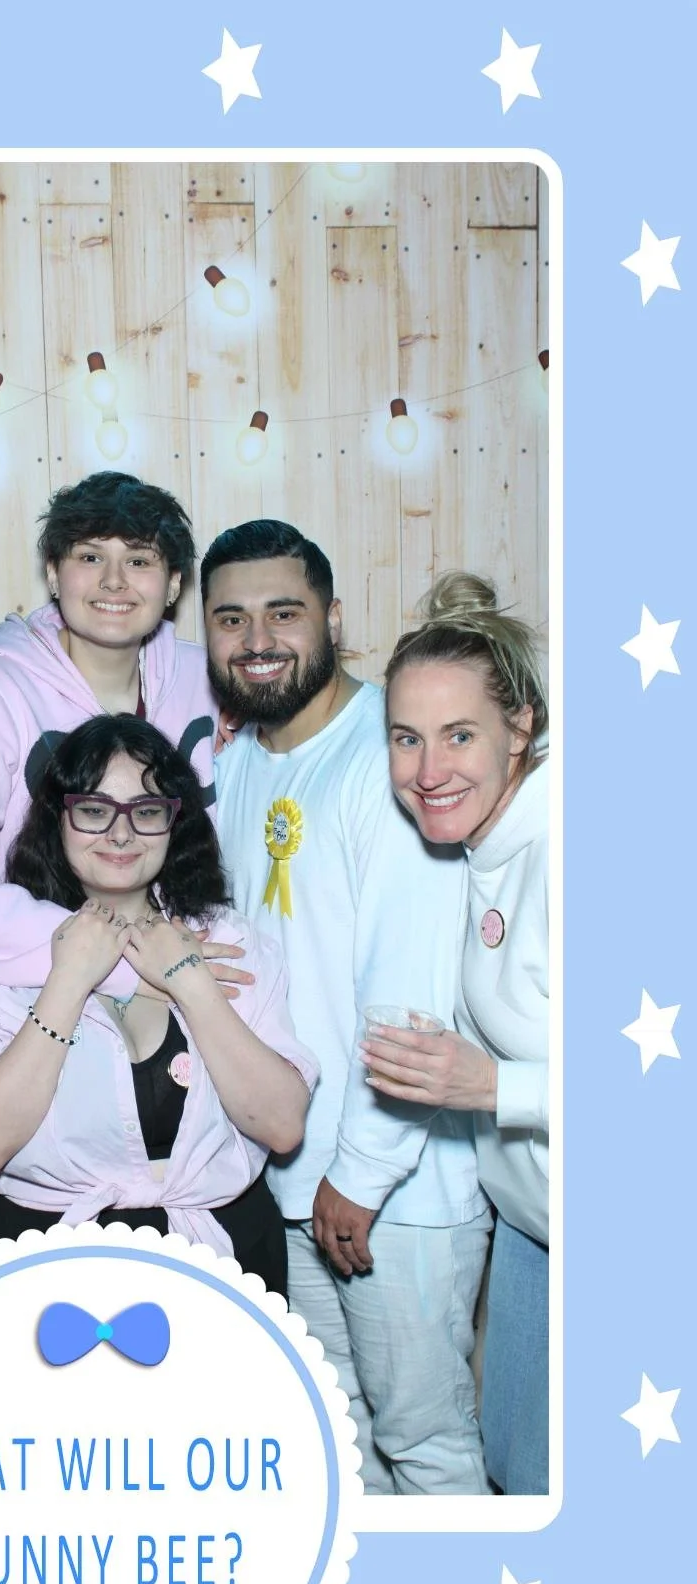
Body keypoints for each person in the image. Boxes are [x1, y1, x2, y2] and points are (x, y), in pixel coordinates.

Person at [204, 519, 490, 1496]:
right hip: (292, 1181)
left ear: (331, 619)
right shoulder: (240, 764)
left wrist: (361, 1174)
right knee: (341, 1449)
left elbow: (414, 990)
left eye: (284, 613)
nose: (258, 641)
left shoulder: (391, 754)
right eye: (231, 619)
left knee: (426, 1446)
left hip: (395, 1192)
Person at [0, 715, 317, 1292]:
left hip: (215, 1257)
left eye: (147, 810)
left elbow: (283, 1125)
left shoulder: (229, 941)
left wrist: (188, 981)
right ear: (57, 817)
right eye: (94, 810)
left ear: (174, 822)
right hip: (38, 1258)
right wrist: (68, 981)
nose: (121, 834)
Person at [0, 471, 226, 1000]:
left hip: (191, 998)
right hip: (32, 1001)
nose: (113, 581)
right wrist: (128, 966)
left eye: (139, 560)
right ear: (53, 573)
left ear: (173, 584)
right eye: (90, 557)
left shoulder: (210, 681)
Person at [361, 572, 549, 1494]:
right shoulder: (481, 845)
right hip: (531, 1232)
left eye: (460, 735)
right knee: (516, 1474)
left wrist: (490, 1087)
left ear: (521, 727)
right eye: (408, 738)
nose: (428, 770)